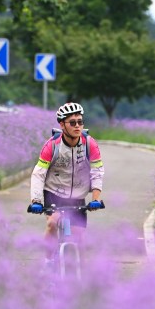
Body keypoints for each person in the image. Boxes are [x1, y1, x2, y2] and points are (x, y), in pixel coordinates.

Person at [29, 102, 104, 263]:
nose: (77, 126)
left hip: (78, 194)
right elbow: (38, 174)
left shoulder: (89, 144)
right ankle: (48, 262)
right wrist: (36, 201)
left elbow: (97, 171)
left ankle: (80, 274)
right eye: (72, 122)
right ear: (62, 125)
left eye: (80, 121)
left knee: (80, 238)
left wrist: (96, 199)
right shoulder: (52, 145)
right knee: (52, 224)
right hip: (53, 192)